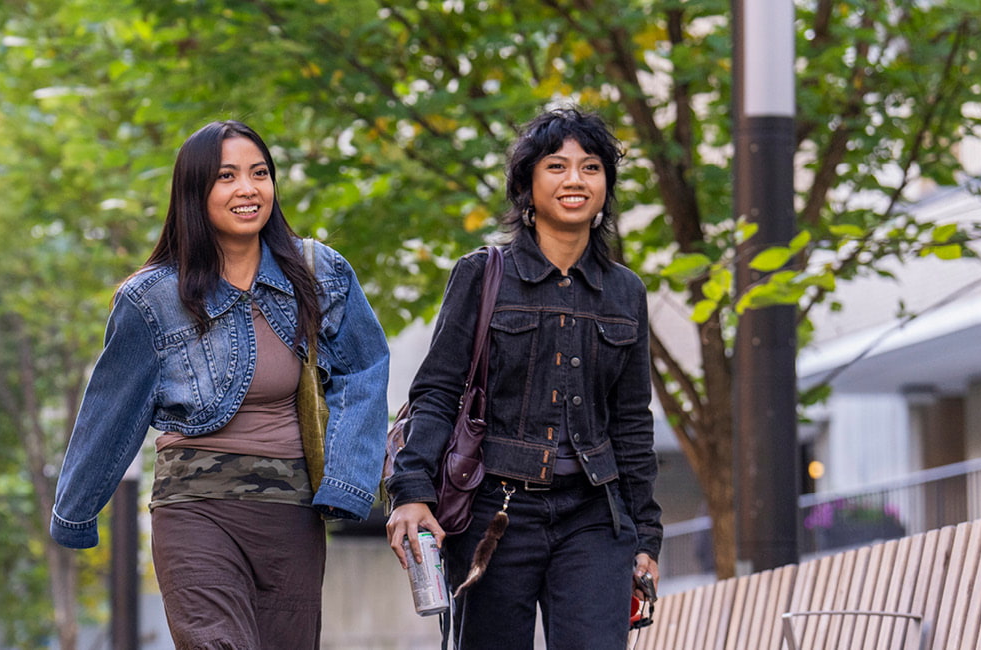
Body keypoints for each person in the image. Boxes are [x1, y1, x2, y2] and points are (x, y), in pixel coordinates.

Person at [50, 120, 390, 649]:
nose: (247, 189)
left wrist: (347, 481)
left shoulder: (319, 272)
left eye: (260, 173)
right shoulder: (152, 298)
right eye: (226, 176)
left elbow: (363, 370)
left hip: (291, 512)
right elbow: (111, 410)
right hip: (195, 508)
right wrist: (75, 512)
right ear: (195, 191)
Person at [386, 107, 662, 649]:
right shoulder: (483, 274)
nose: (575, 179)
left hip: (595, 514)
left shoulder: (625, 292)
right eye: (556, 166)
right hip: (494, 509)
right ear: (526, 186)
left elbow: (631, 423)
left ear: (606, 186)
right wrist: (411, 490)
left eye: (591, 167)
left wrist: (646, 534)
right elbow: (437, 393)